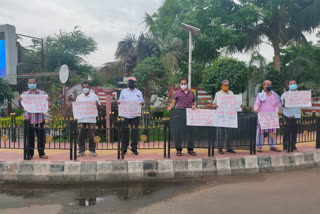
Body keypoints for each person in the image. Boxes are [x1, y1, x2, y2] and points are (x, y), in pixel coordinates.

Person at [18, 78, 48, 160]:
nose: (32, 84)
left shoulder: (43, 93)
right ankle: (30, 154)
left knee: (41, 138)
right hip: (28, 119)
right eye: (30, 83)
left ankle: (41, 153)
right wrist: (19, 100)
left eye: (34, 82)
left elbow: (47, 105)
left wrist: (48, 101)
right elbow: (21, 106)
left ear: (36, 83)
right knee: (30, 138)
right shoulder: (24, 94)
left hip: (40, 119)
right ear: (28, 84)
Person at [167, 77, 196, 156]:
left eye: (185, 83)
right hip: (179, 115)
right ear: (180, 84)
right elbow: (173, 103)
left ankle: (190, 149)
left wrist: (194, 106)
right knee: (178, 133)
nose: (183, 85)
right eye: (182, 83)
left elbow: (194, 102)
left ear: (187, 84)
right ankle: (178, 150)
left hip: (190, 116)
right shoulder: (177, 93)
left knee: (190, 133)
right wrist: (170, 107)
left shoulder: (191, 93)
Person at [118, 77, 144, 155]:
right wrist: (119, 103)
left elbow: (142, 102)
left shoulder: (139, 92)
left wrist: (142, 103)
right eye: (130, 81)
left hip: (135, 115)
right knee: (124, 132)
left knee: (135, 132)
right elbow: (120, 101)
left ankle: (134, 148)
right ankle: (124, 148)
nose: (131, 83)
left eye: (132, 82)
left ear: (135, 83)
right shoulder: (123, 91)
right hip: (125, 115)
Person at [254, 80, 281, 152]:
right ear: (264, 86)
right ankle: (259, 146)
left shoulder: (274, 95)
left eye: (270, 85)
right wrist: (256, 109)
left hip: (272, 117)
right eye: (267, 85)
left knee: (272, 132)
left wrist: (277, 111)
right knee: (260, 132)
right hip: (263, 117)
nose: (269, 86)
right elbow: (257, 103)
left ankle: (272, 146)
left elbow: (276, 105)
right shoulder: (260, 95)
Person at [76, 81, 101, 157]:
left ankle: (92, 149)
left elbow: (99, 106)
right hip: (81, 119)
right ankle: (81, 149)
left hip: (91, 119)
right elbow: (76, 108)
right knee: (81, 134)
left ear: (89, 88)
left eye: (87, 87)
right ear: (82, 88)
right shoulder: (79, 97)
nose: (85, 88)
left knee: (91, 135)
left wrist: (97, 105)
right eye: (84, 87)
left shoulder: (94, 96)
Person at [212, 80, 236, 154]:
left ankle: (228, 147)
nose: (226, 86)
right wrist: (215, 106)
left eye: (227, 85)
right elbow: (213, 105)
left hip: (229, 116)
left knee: (229, 132)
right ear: (221, 85)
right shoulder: (218, 94)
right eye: (224, 85)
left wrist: (239, 106)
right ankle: (220, 148)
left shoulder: (231, 93)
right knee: (220, 133)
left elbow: (235, 103)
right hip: (220, 116)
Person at [281, 80, 300, 151]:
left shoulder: (300, 94)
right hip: (287, 115)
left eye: (294, 83)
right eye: (291, 84)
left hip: (296, 115)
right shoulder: (285, 94)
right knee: (287, 131)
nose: (293, 85)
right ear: (288, 86)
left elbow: (304, 102)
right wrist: (284, 102)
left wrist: (308, 100)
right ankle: (286, 146)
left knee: (294, 131)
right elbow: (282, 105)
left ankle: (293, 145)